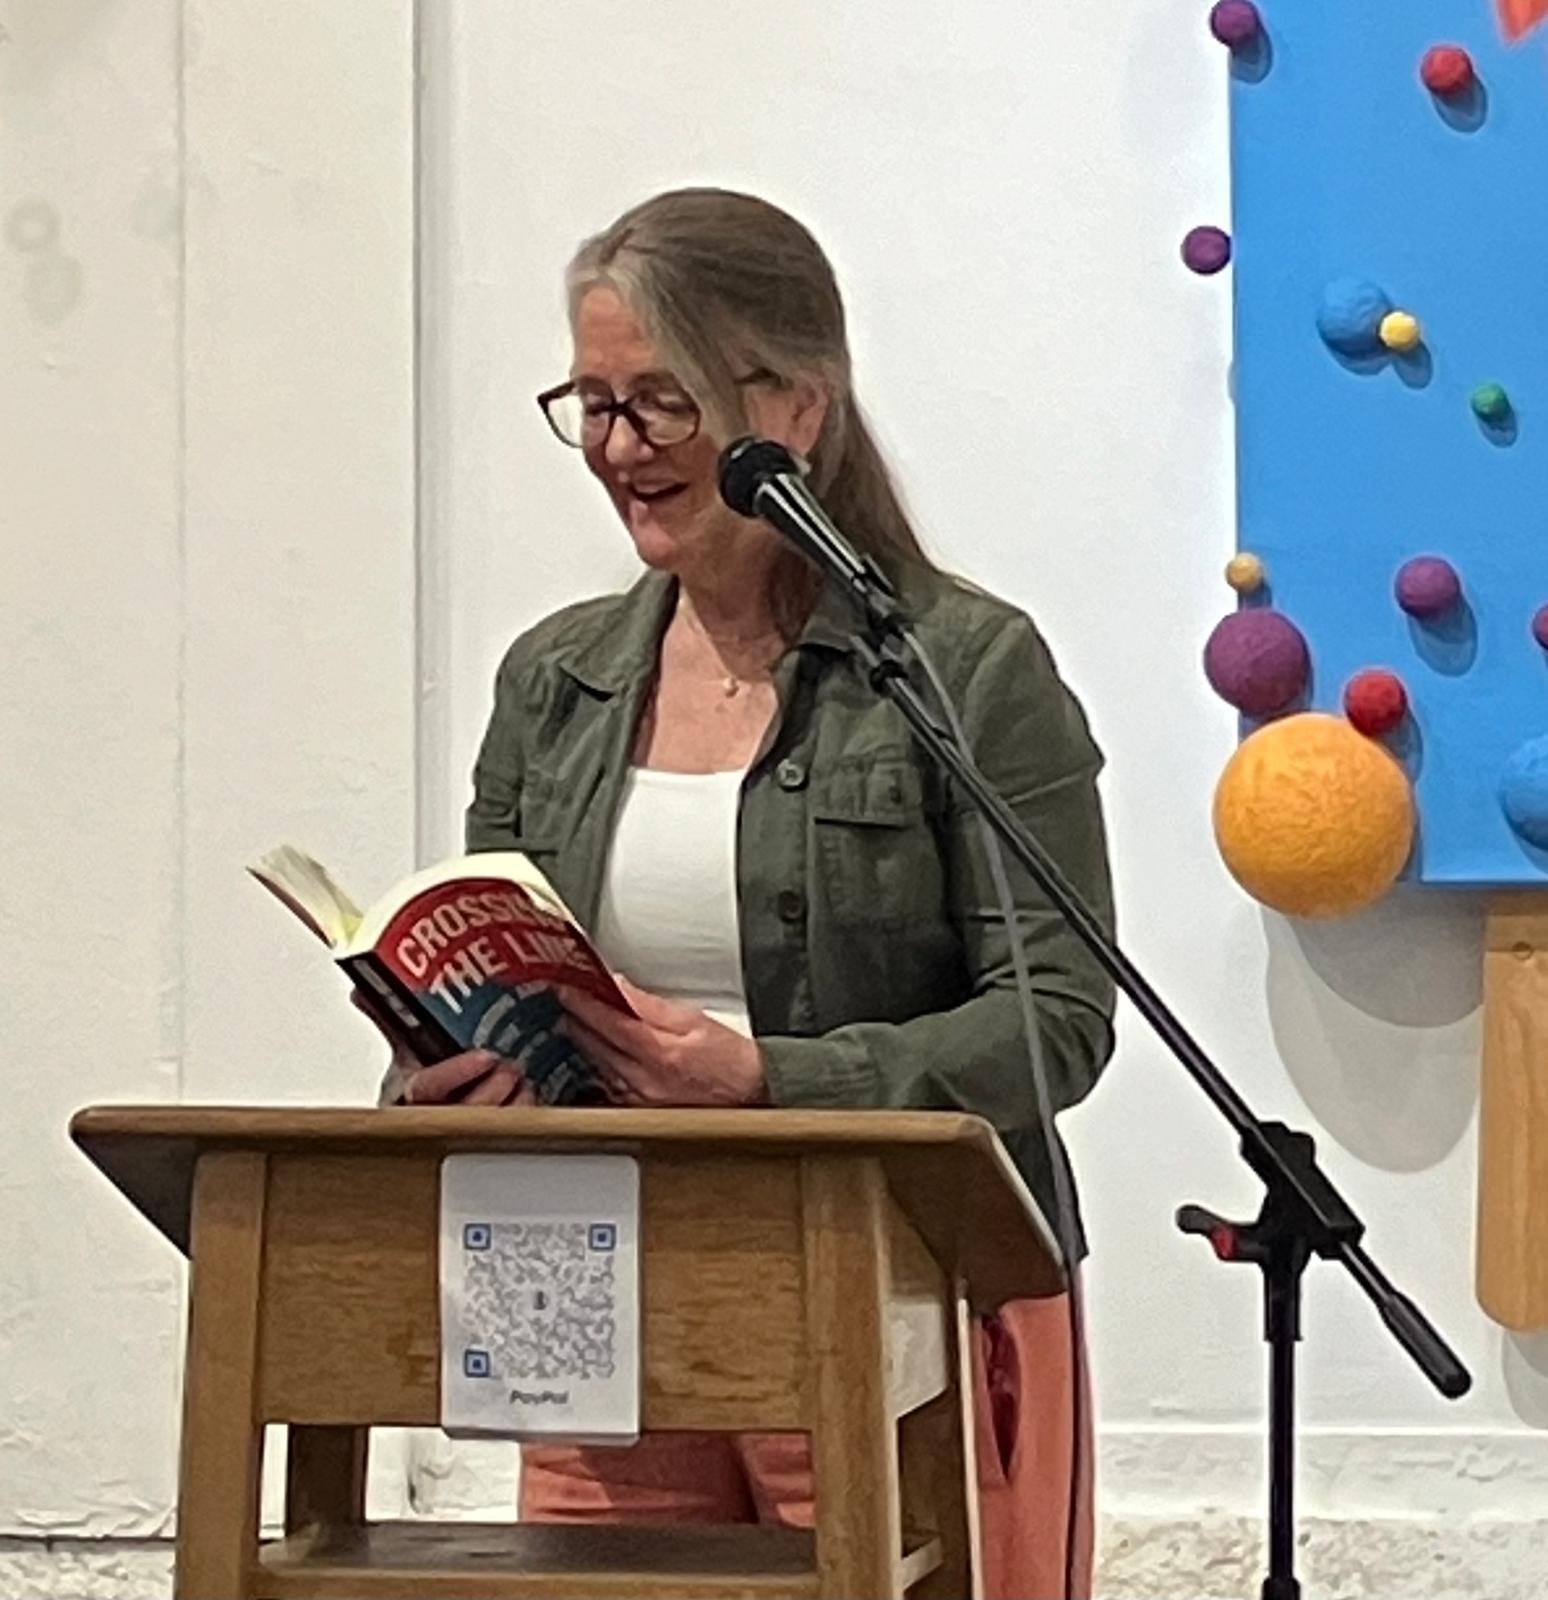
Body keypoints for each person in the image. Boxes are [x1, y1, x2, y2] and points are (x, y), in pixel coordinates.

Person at [382, 187, 1116, 1599]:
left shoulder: (965, 666)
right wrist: (441, 1072)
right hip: (592, 1292)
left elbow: (1058, 1019)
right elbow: (491, 969)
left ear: (796, 409)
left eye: (662, 401)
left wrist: (770, 1079)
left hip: (894, 1284)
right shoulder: (554, 680)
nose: (619, 447)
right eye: (592, 404)